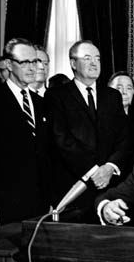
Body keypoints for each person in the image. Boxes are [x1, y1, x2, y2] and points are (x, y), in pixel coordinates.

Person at [45, 40, 129, 222]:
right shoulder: (56, 96)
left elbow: (124, 137)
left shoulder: (112, 96)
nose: (94, 63)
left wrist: (110, 167)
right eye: (87, 58)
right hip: (73, 186)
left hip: (110, 187)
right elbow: (61, 139)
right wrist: (94, 171)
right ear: (73, 64)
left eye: (97, 58)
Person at [0, 38, 51, 226]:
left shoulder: (40, 103)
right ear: (9, 64)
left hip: (39, 205)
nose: (32, 68)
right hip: (3, 206)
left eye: (35, 62)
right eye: (24, 62)